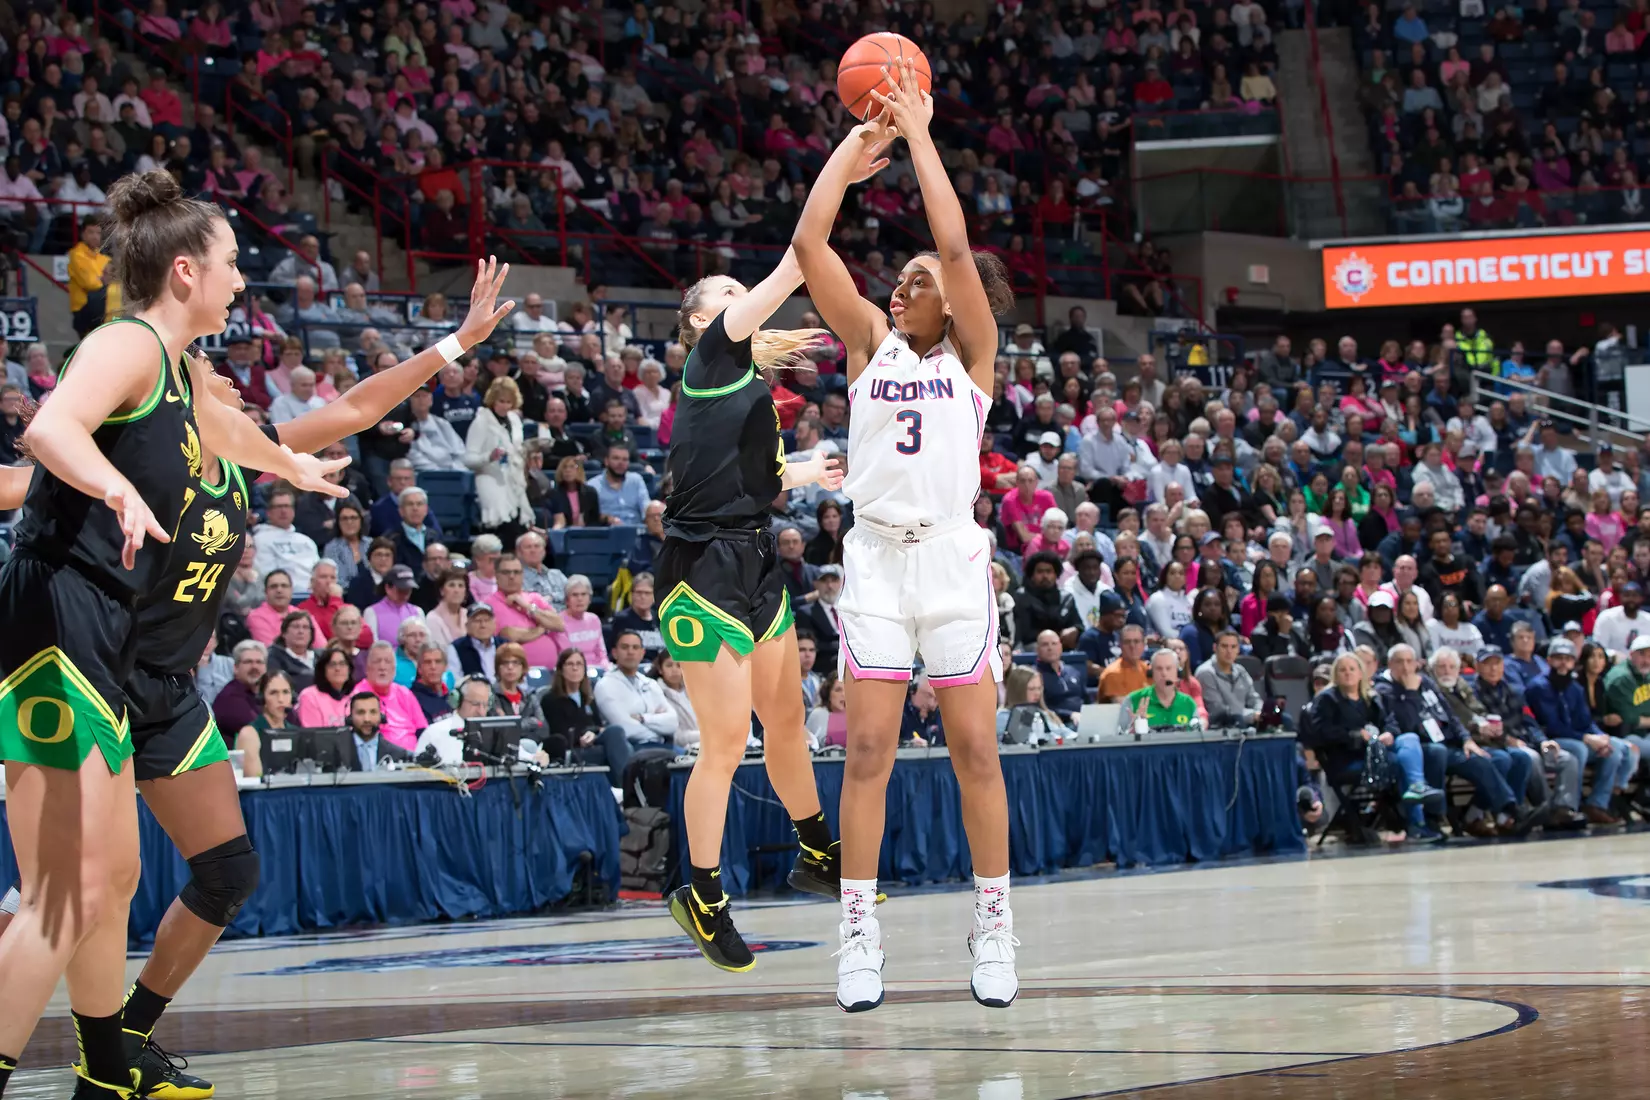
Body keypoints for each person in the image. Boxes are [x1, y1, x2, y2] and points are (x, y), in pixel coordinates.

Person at [0, 171, 361, 1100]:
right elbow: (50, 430)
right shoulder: (127, 342)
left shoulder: (184, 380)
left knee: (112, 878)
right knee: (66, 891)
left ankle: (104, 1066)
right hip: (58, 619)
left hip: (109, 639)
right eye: (235, 263)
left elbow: (247, 443)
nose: (245, 279)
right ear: (187, 272)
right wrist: (114, 487)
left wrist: (295, 469)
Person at [795, 76, 1021, 1013]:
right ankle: (858, 934)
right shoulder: (867, 347)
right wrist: (850, 159)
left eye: (921, 281)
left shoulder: (974, 362)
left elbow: (957, 244)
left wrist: (924, 138)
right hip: (879, 563)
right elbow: (811, 244)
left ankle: (995, 926)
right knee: (869, 754)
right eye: (905, 275)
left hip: (955, 565)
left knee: (975, 751)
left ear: (954, 307)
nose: (905, 281)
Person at [653, 246, 856, 972]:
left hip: (753, 554)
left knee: (789, 722)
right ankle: (701, 896)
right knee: (726, 741)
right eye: (731, 291)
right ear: (704, 317)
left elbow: (759, 479)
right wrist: (834, 196)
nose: (746, 297)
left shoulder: (743, 384)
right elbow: (792, 269)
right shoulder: (708, 356)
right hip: (700, 567)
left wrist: (808, 471)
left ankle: (816, 851)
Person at [1300, 652, 1444, 841]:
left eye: (1352, 669)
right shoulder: (1327, 699)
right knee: (1401, 763)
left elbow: (1391, 722)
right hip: (1347, 759)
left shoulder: (1372, 696)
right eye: (1342, 670)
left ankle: (1417, 788)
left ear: (1361, 673)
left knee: (1409, 739)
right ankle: (1416, 824)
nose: (1348, 673)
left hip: (1378, 751)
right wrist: (1356, 735)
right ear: (1336, 674)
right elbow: (1321, 733)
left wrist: (1389, 734)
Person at [1525, 638, 1633, 826]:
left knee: (1614, 747)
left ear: (1574, 663)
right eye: (1558, 658)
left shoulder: (1575, 687)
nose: (1563, 663)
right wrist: (1586, 738)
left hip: (1577, 737)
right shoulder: (1538, 686)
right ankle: (1569, 807)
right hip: (1549, 741)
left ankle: (1596, 804)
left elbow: (1586, 721)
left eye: (1568, 659)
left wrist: (1600, 736)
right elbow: (1552, 726)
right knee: (1579, 749)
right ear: (1549, 660)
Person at [527, 649, 633, 778]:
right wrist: (586, 734)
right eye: (570, 664)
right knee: (618, 747)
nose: (575, 668)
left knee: (616, 733)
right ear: (560, 670)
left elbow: (598, 726)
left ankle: (625, 785)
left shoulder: (588, 697)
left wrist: (593, 733)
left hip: (592, 743)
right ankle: (627, 786)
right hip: (572, 750)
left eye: (579, 664)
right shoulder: (550, 699)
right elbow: (560, 732)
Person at [233, 670, 296, 779]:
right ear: (262, 698)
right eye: (273, 693)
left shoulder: (296, 732)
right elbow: (254, 780)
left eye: (285, 692)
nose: (281, 699)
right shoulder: (249, 734)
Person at [1121, 648, 1202, 729]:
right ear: (1151, 673)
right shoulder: (1133, 700)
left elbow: (1199, 736)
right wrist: (1134, 729)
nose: (1164, 673)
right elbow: (1120, 736)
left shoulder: (1188, 703)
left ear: (1178, 672)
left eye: (1168, 668)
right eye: (1159, 669)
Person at [1196, 630, 1262, 727]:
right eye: (1224, 646)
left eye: (1233, 647)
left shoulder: (1241, 671)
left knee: (1283, 718)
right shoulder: (1206, 672)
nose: (1229, 651)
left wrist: (1260, 712)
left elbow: (1254, 698)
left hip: (1245, 719)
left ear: (1238, 649)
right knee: (1237, 719)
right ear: (1215, 648)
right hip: (1221, 724)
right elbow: (1218, 709)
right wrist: (1252, 715)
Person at [342, 691, 414, 771]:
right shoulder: (336, 753)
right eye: (360, 713)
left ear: (382, 717)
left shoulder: (398, 754)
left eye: (373, 712)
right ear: (350, 717)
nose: (367, 719)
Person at [296, 643, 356, 727]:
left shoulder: (355, 695)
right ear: (323, 670)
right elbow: (315, 735)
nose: (337, 669)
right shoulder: (309, 696)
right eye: (332, 665)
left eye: (342, 664)